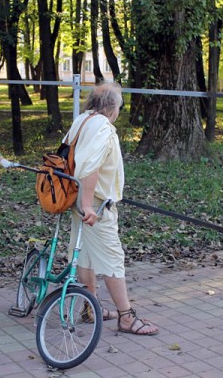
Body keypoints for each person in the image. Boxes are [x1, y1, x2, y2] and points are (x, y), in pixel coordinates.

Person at [67, 82, 159, 335]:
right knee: (112, 259)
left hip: (76, 198)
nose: (120, 110)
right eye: (119, 106)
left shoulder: (83, 120)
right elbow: (89, 167)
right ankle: (126, 317)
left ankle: (89, 308)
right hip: (95, 205)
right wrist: (88, 206)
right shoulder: (103, 128)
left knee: (85, 255)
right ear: (110, 107)